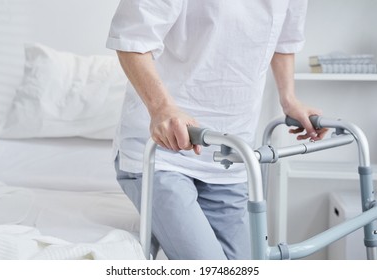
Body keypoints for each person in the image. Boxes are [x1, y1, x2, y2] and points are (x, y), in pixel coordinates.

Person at [106, 0, 327, 260]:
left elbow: (284, 41)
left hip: (228, 158)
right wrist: (162, 108)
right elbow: (132, 39)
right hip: (163, 152)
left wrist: (289, 100)